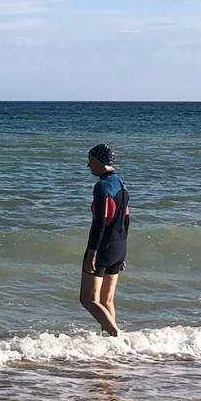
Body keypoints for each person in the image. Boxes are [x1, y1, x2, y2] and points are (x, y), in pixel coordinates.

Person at [81, 143, 130, 336]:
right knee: (107, 301)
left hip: (103, 248)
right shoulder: (122, 185)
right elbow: (126, 220)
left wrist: (92, 253)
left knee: (89, 299)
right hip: (119, 246)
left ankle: (117, 336)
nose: (88, 166)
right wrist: (121, 254)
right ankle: (111, 345)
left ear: (101, 162)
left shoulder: (102, 187)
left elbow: (99, 223)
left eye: (91, 161)